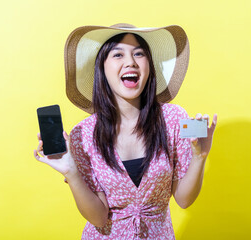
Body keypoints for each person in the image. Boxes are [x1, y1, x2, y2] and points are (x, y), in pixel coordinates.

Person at [33, 23, 217, 240]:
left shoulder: (175, 119)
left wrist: (199, 157)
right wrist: (71, 172)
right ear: (102, 67)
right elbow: (98, 218)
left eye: (139, 54)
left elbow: (184, 200)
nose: (130, 62)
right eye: (118, 54)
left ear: (149, 66)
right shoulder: (82, 135)